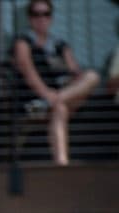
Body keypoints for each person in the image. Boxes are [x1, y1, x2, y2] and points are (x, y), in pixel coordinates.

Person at [12, 0, 100, 166]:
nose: (41, 18)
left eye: (46, 14)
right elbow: (27, 70)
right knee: (59, 108)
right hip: (34, 102)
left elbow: (75, 70)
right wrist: (46, 94)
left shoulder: (60, 44)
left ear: (51, 18)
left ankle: (56, 99)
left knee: (92, 76)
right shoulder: (23, 42)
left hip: (59, 97)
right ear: (30, 18)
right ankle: (62, 164)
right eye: (36, 14)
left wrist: (71, 82)